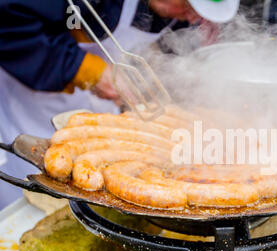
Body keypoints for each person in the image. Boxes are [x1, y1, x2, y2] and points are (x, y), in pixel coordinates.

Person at [0, 0, 240, 209]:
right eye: (187, 4)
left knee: (88, 199)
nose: (190, 17)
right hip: (33, 101)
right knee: (28, 203)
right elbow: (10, 23)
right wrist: (90, 71)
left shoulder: (175, 14)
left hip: (105, 121)